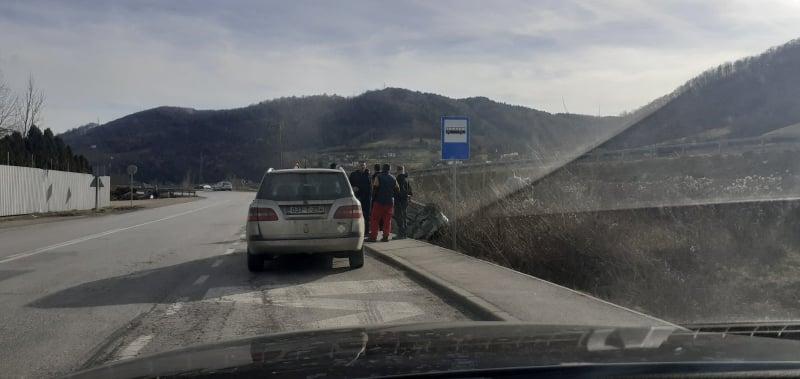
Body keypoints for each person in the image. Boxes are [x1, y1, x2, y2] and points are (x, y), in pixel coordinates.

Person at [368, 163, 399, 242]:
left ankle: (373, 237)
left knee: (375, 220)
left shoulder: (378, 177)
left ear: (382, 169)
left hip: (379, 202)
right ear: (389, 169)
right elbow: (397, 189)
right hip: (389, 202)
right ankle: (385, 236)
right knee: (387, 221)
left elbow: (375, 188)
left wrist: (373, 199)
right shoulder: (393, 178)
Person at [348, 161, 372, 235]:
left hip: (366, 198)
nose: (362, 167)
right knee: (356, 216)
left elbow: (371, 187)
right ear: (358, 166)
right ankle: (356, 231)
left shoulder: (368, 175)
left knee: (366, 216)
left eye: (363, 166)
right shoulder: (353, 175)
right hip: (356, 198)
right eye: (361, 165)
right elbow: (348, 185)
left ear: (365, 166)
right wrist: (352, 188)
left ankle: (366, 231)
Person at [393, 165, 412, 239]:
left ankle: (401, 234)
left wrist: (398, 197)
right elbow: (410, 191)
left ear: (398, 171)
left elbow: (399, 191)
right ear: (403, 170)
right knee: (404, 217)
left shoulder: (398, 179)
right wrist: (408, 197)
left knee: (399, 217)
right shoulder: (406, 179)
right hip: (405, 201)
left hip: (399, 201)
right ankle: (405, 234)